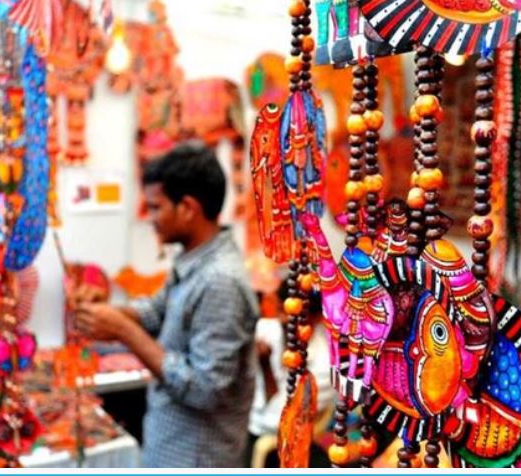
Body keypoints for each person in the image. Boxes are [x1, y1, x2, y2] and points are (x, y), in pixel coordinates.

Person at [76, 143, 259, 467]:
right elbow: (156, 311)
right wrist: (108, 312)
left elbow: (205, 388)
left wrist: (123, 330)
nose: (151, 220)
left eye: (156, 208)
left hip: (197, 458)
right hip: (172, 445)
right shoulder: (194, 261)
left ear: (187, 208)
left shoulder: (220, 281)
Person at [246, 283, 336, 467]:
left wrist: (266, 368)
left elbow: (276, 421)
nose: (285, 320)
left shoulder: (325, 364)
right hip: (241, 424)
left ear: (317, 318)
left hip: (278, 443)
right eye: (282, 310)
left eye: (297, 317)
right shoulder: (265, 331)